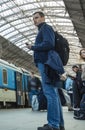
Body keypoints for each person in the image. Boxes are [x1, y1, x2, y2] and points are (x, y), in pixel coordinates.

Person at [25, 11, 65, 130]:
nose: (34, 20)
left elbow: (49, 44)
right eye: (33, 19)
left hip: (46, 64)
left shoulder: (46, 28)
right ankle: (59, 124)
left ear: (43, 18)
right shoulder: (43, 30)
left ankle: (53, 125)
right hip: (47, 64)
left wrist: (33, 47)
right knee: (54, 94)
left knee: (50, 94)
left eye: (36, 17)